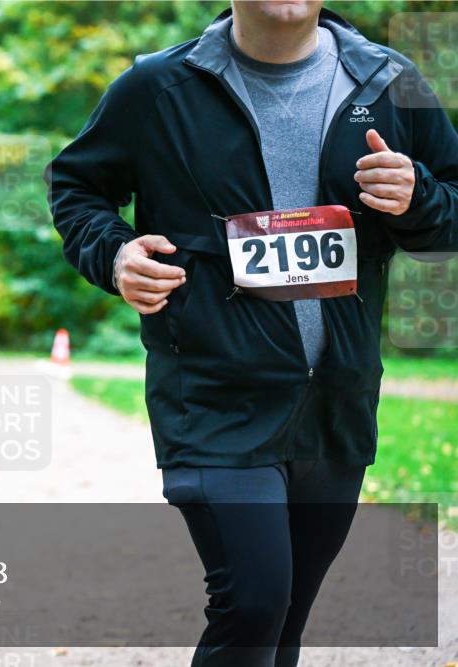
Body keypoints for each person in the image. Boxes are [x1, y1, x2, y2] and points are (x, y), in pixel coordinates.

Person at [45, 2, 457, 666]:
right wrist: (115, 255)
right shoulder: (158, 87)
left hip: (335, 405)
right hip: (212, 397)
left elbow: (453, 213)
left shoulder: (388, 81)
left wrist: (421, 197)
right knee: (254, 601)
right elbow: (76, 186)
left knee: (282, 619)